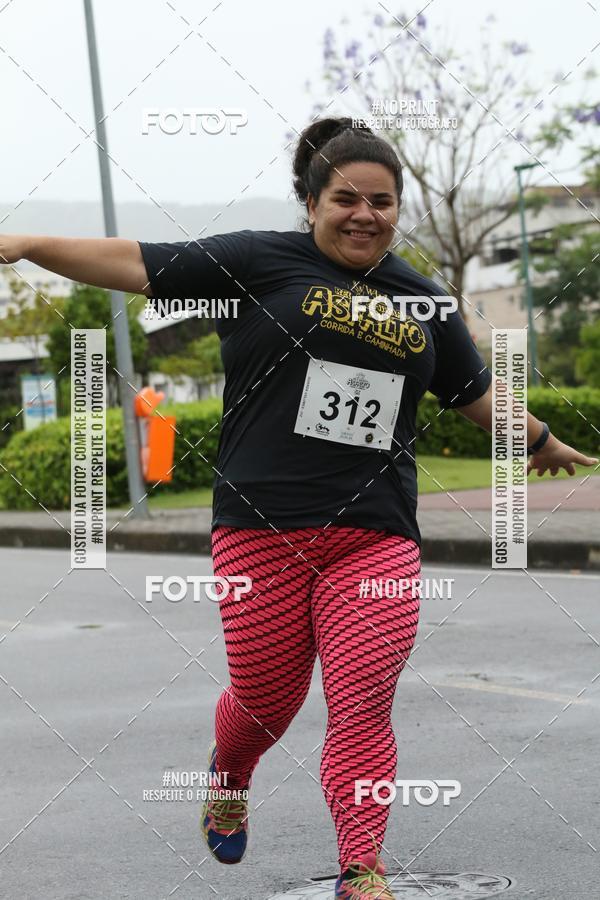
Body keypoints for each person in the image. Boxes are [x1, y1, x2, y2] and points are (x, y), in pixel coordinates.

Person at [1, 116, 597, 900]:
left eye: (382, 201)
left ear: (396, 209)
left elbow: (477, 395)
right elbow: (137, 263)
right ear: (310, 202)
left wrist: (542, 437)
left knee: (361, 697)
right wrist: (26, 244)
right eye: (345, 198)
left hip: (375, 535)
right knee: (265, 701)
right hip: (259, 530)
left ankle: (363, 868)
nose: (365, 214)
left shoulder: (423, 298)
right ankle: (231, 768)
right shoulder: (256, 261)